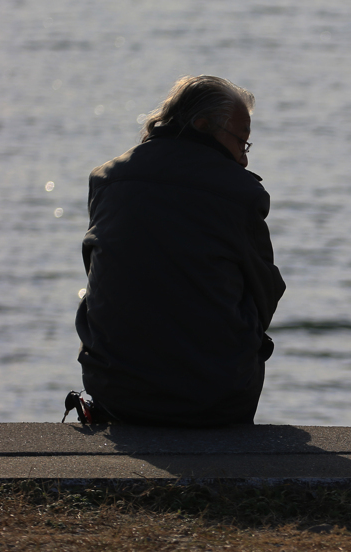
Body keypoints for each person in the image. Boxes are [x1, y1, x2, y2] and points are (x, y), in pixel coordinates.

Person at [74, 75, 286, 426]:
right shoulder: (238, 192)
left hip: (114, 392)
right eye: (242, 144)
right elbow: (264, 294)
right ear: (202, 126)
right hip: (213, 398)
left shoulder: (107, 179)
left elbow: (97, 270)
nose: (243, 160)